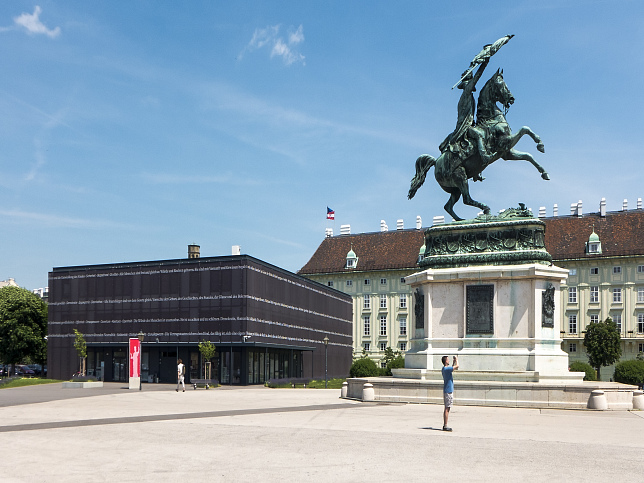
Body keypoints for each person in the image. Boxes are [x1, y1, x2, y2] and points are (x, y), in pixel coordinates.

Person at [441, 355, 459, 431]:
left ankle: (445, 425)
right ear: (446, 361)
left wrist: (453, 362)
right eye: (448, 360)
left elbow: (452, 368)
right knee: (447, 408)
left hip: (447, 390)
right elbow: (457, 367)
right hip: (448, 391)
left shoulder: (444, 369)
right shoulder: (446, 369)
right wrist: (457, 360)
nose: (448, 360)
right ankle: (445, 425)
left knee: (447, 408)